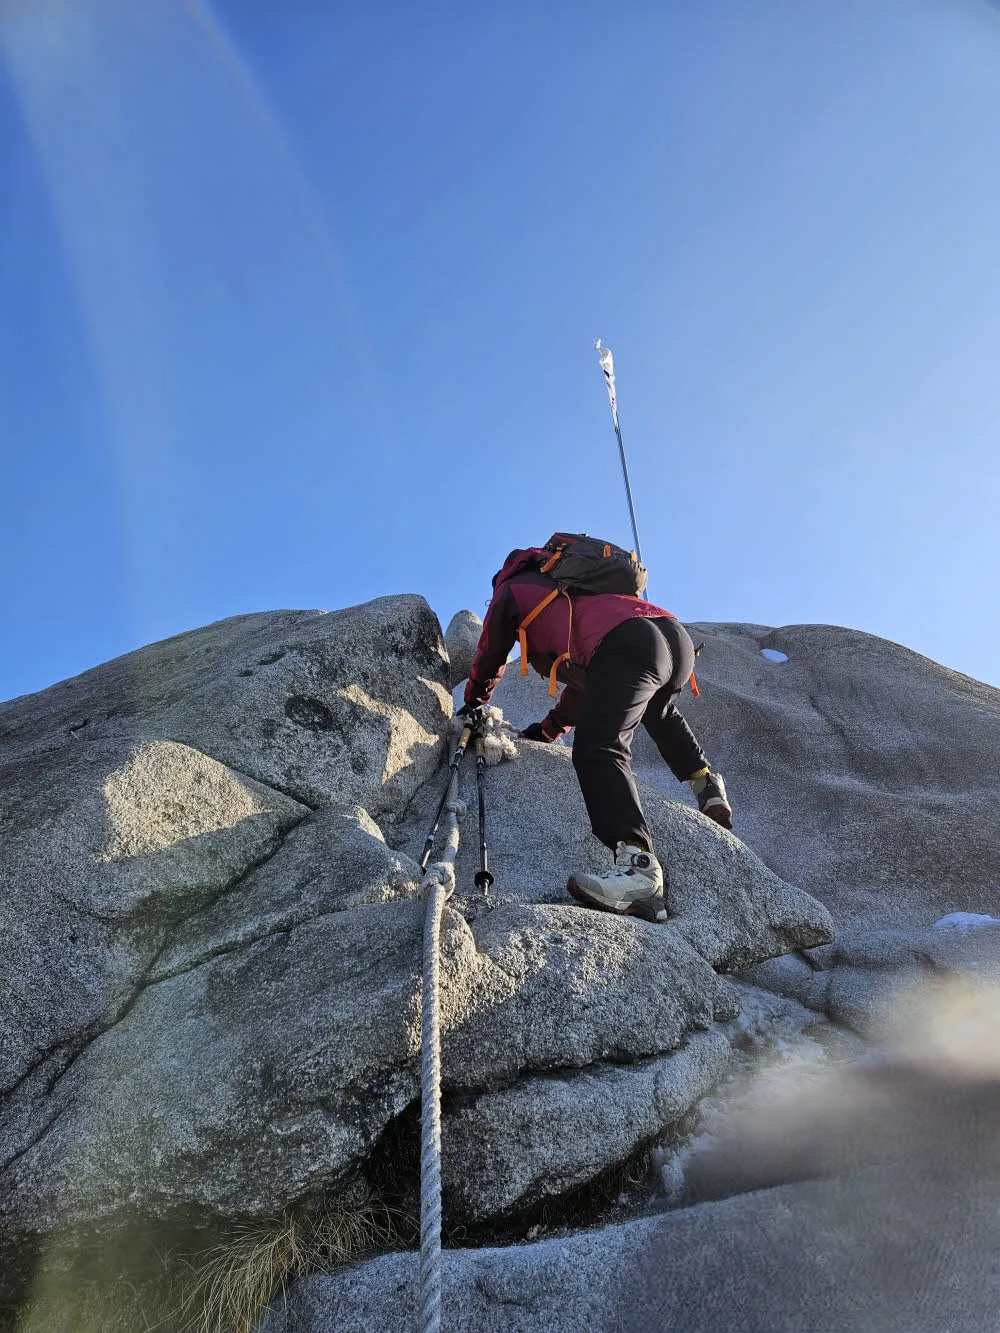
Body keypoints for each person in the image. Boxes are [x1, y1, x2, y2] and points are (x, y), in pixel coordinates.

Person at [460, 541, 732, 924]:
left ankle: (639, 870)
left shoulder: (513, 589)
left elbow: (491, 652)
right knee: (659, 710)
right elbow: (592, 687)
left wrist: (474, 702)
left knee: (599, 748)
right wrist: (549, 729)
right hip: (673, 637)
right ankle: (706, 784)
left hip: (627, 642)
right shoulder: (578, 591)